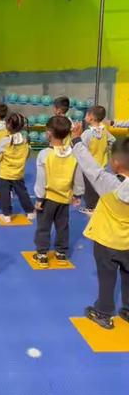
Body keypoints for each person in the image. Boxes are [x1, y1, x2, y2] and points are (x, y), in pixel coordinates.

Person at [71, 122, 129, 330]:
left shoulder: (109, 183)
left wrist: (77, 140)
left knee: (107, 277)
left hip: (106, 241)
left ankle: (104, 312)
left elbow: (89, 165)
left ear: (115, 163)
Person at [32, 116, 84, 268]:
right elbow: (78, 175)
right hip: (64, 197)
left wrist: (39, 198)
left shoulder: (44, 154)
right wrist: (77, 194)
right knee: (63, 226)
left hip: (48, 198)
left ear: (48, 133)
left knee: (43, 226)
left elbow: (41, 179)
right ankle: (61, 252)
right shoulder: (74, 154)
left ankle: (42, 254)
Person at [0, 113, 35, 223]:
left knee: (4, 194)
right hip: (18, 172)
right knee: (22, 192)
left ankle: (6, 215)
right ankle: (30, 212)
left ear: (8, 126)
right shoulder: (25, 141)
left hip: (5, 173)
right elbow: (27, 154)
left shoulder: (6, 141)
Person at [79, 105, 116, 215]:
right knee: (99, 185)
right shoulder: (104, 130)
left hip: (89, 166)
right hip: (102, 165)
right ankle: (101, 204)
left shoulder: (87, 133)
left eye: (86, 114)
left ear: (90, 117)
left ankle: (91, 207)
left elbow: (80, 147)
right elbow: (113, 141)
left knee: (88, 188)